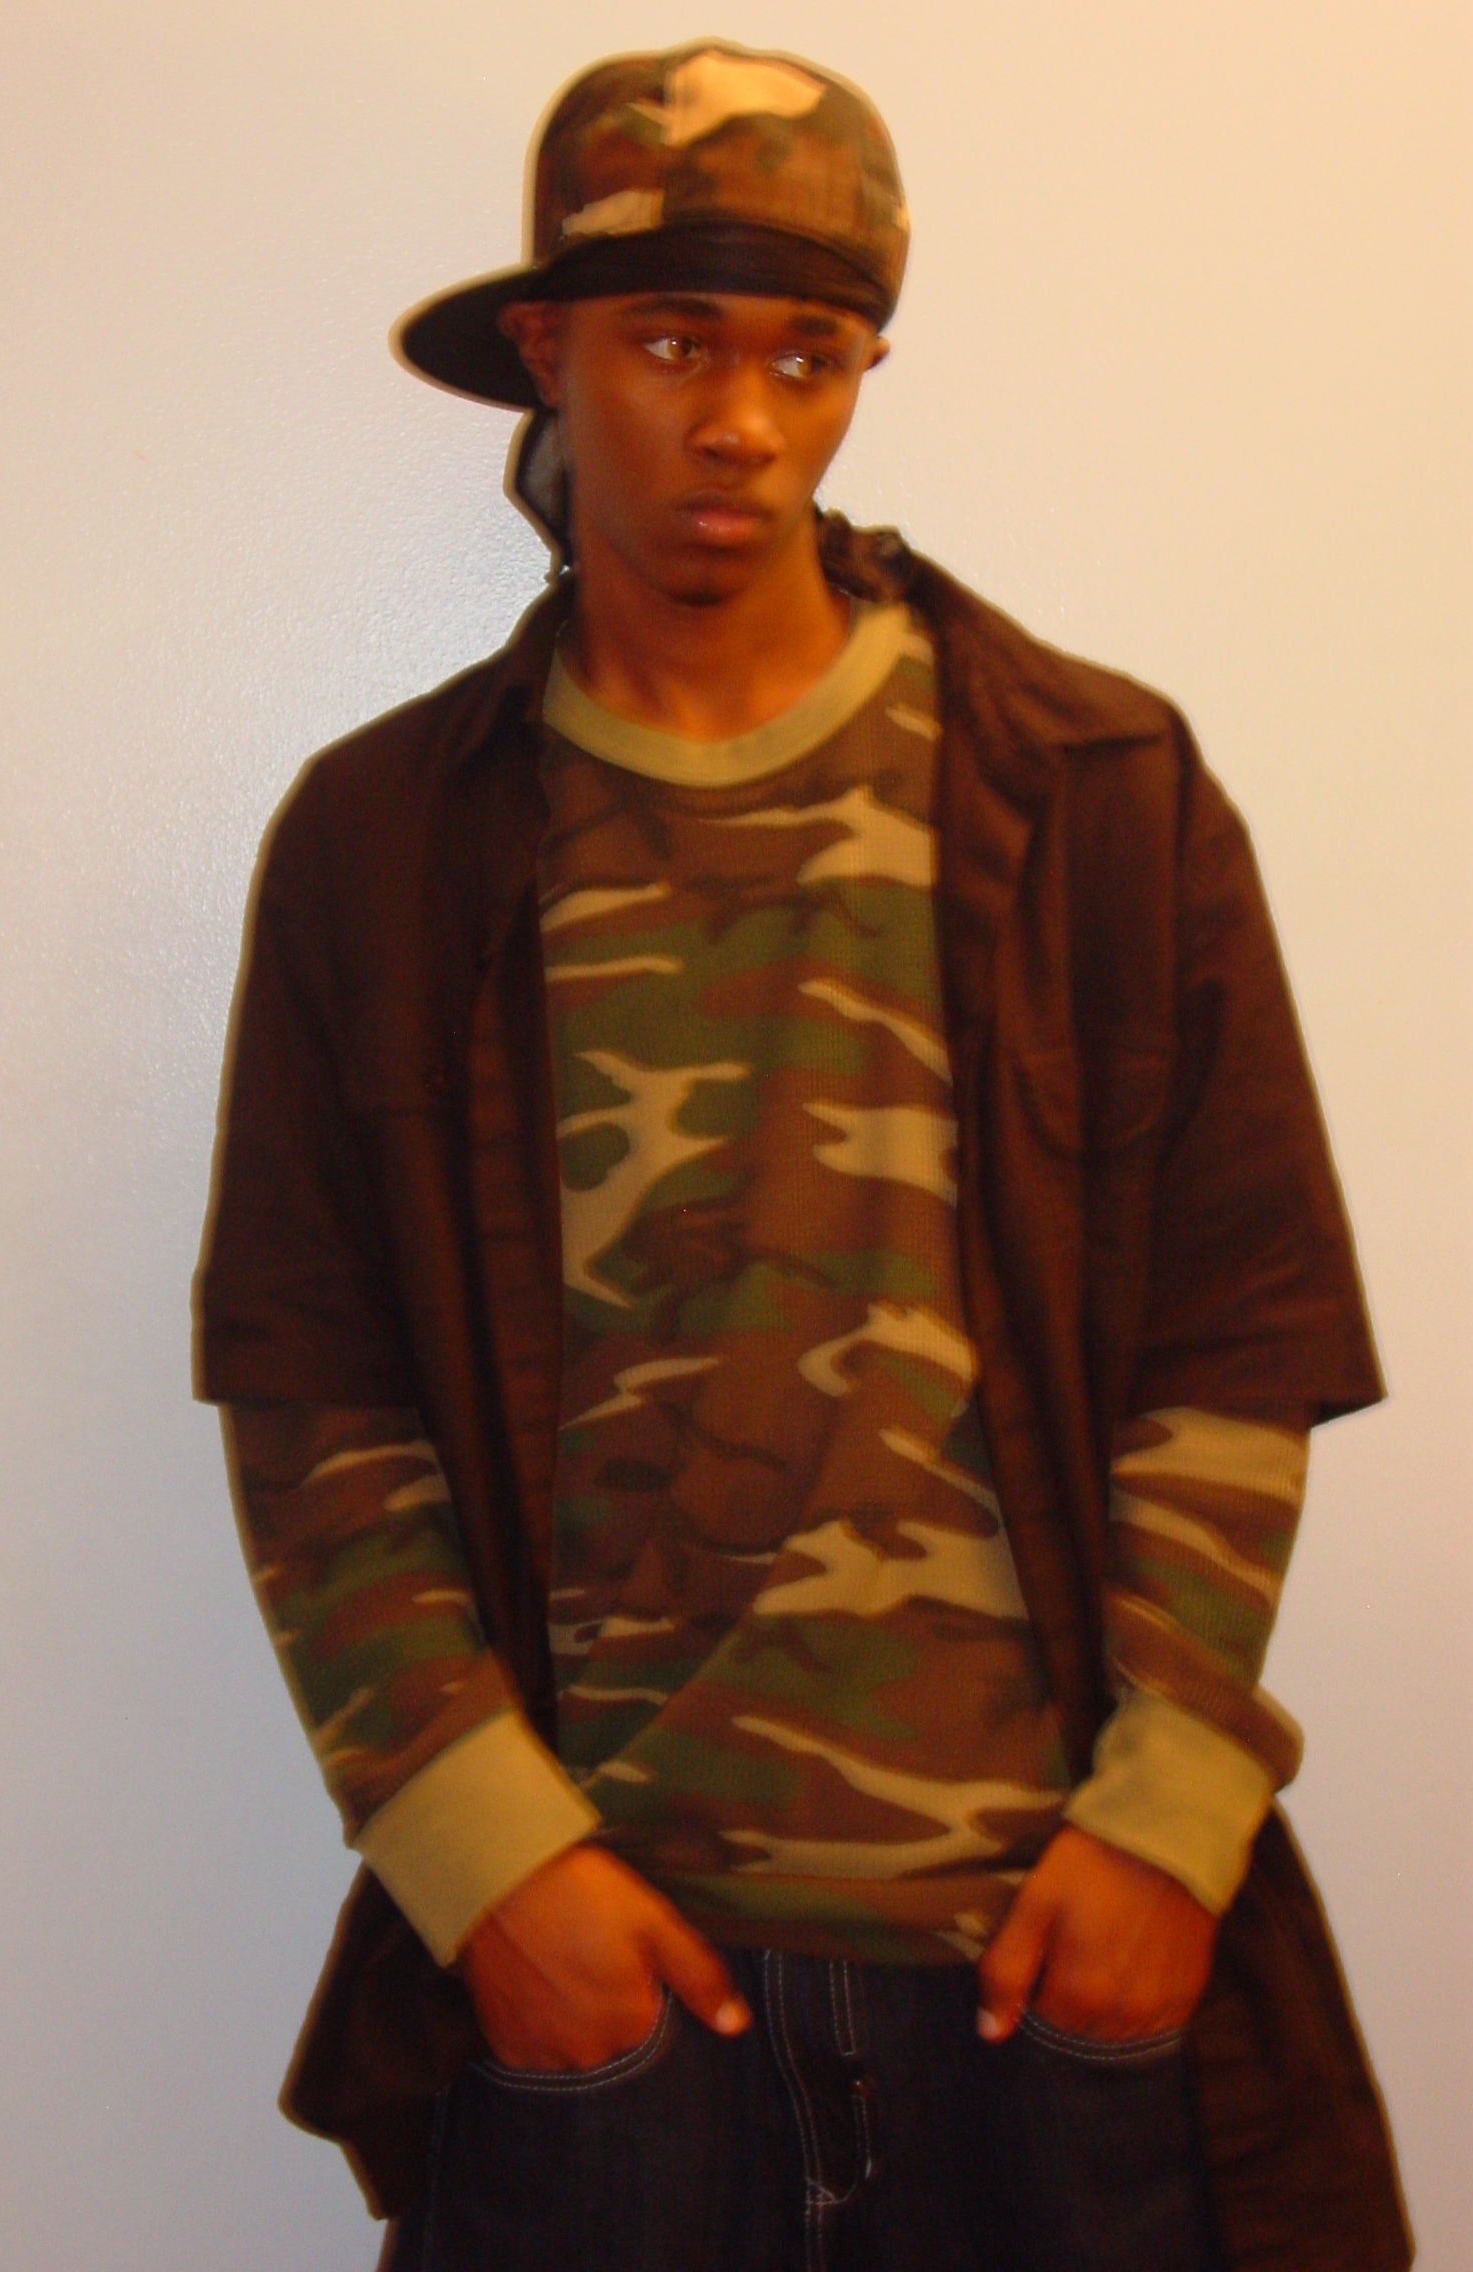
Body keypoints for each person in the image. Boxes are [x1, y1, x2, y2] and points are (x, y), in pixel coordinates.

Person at [197, 40, 1410, 2272]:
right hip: (605, 1982)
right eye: (675, 344)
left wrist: (1167, 1824)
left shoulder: (1095, 793)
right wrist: (487, 1862)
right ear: (548, 352)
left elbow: (1238, 1336)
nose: (744, 420)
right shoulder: (387, 845)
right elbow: (311, 1387)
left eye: (807, 354)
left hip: (1052, 1965)